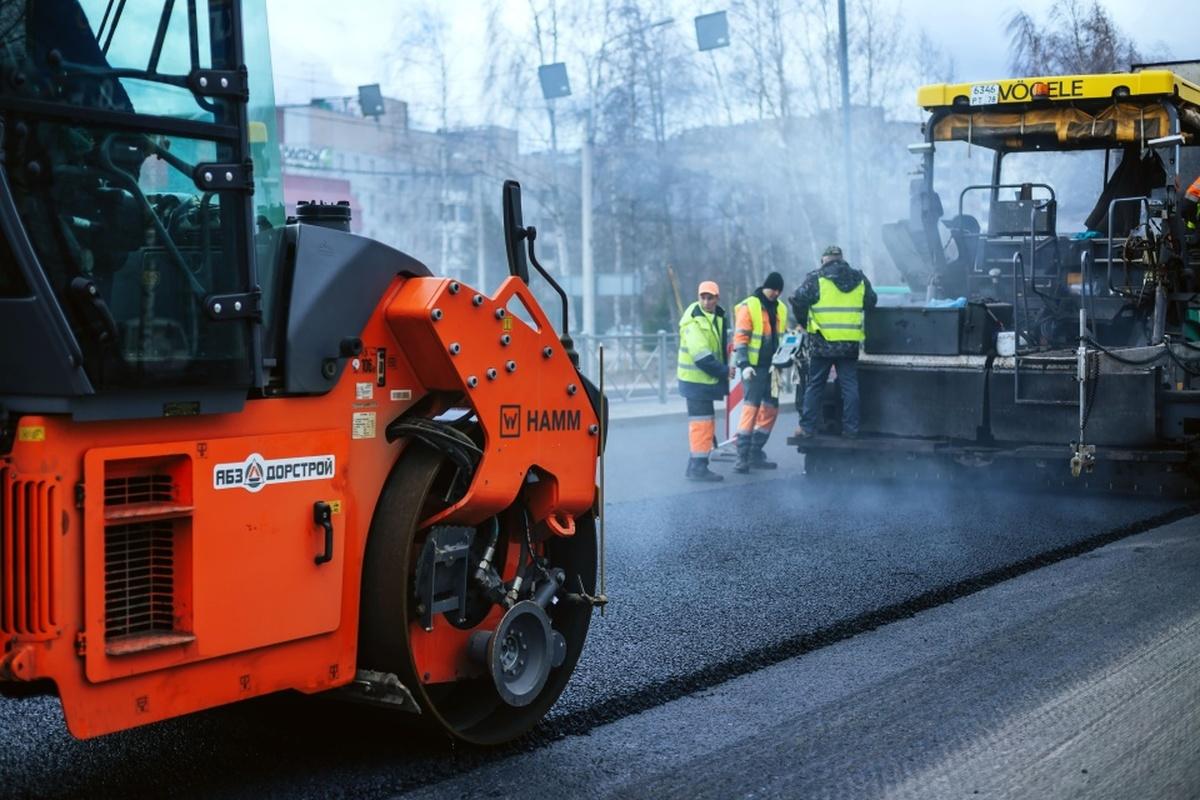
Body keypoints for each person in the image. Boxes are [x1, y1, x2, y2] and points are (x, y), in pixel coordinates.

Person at [791, 245, 877, 439]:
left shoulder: (816, 279)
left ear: (824, 260)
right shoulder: (859, 279)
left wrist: (805, 322)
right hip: (849, 343)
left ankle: (807, 428)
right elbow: (871, 302)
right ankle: (851, 429)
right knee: (850, 387)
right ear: (841, 258)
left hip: (822, 343)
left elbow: (797, 300)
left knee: (815, 385)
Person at [732, 272, 788, 473]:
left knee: (771, 409)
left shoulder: (781, 308)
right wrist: (744, 364)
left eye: (779, 291)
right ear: (766, 287)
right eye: (773, 289)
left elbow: (782, 338)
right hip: (754, 369)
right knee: (750, 410)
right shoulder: (750, 306)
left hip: (773, 368)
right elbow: (741, 339)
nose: (776, 293)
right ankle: (742, 457)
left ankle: (755, 451)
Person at [677, 280, 729, 481]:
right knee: (702, 425)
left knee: (705, 424)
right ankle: (698, 468)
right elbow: (701, 356)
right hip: (695, 381)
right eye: (703, 297)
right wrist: (724, 371)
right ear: (698, 298)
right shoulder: (693, 321)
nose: (706, 301)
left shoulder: (714, 317)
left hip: (703, 381)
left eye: (710, 297)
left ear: (717, 298)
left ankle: (696, 466)